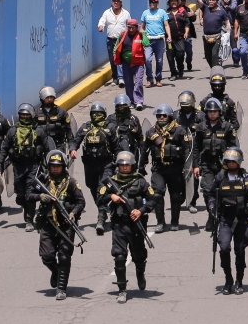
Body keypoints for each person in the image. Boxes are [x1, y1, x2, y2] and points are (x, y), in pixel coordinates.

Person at [204, 148, 248, 295]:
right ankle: (228, 279)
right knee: (224, 248)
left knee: (240, 250)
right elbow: (211, 194)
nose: (231, 164)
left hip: (242, 220)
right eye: (228, 162)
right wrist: (212, 207)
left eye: (233, 161)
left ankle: (239, 280)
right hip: (225, 219)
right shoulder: (220, 177)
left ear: (238, 162)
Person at [97, 151, 156, 303]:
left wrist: (141, 211)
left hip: (136, 225)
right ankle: (122, 289)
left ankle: (140, 273)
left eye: (127, 165)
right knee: (119, 256)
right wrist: (111, 196)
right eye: (121, 165)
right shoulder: (111, 182)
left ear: (132, 166)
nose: (124, 168)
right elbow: (99, 198)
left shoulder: (140, 181)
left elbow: (152, 199)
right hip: (119, 224)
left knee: (139, 256)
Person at [28, 150, 84, 300]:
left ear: (64, 166)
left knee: (64, 256)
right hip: (47, 223)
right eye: (53, 166)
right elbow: (29, 195)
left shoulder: (71, 183)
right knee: (47, 256)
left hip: (66, 224)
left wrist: (73, 214)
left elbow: (81, 202)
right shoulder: (43, 181)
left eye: (58, 166)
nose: (55, 168)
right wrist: (40, 196)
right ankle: (56, 271)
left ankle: (61, 288)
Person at [0, 103, 55, 232]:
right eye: (22, 115)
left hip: (34, 166)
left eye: (27, 115)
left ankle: (29, 219)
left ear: (32, 115)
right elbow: (4, 149)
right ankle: (26, 208)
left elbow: (48, 149)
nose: (24, 117)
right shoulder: (13, 131)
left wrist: (50, 166)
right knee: (21, 196)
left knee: (30, 193)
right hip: (18, 167)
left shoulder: (39, 131)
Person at [70, 102, 118, 236]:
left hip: (106, 164)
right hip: (89, 165)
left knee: (101, 188)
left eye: (99, 113)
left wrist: (121, 162)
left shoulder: (110, 128)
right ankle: (102, 207)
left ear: (104, 114)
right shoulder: (85, 127)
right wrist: (73, 149)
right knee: (92, 186)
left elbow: (117, 146)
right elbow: (75, 140)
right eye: (94, 114)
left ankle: (101, 219)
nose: (97, 116)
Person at [191, 99, 239, 233]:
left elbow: (234, 146)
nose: (212, 114)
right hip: (206, 164)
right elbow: (196, 148)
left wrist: (233, 164)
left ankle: (222, 216)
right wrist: (195, 165)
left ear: (219, 112)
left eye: (215, 111)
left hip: (223, 165)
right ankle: (212, 214)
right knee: (207, 190)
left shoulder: (227, 127)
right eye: (210, 112)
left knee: (225, 190)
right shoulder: (200, 127)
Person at [144, 104, 192, 233]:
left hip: (175, 169)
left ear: (170, 116)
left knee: (176, 196)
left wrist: (188, 167)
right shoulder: (151, 132)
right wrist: (140, 167)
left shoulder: (179, 130)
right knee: (157, 194)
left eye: (164, 115)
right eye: (159, 115)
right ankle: (160, 222)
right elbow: (144, 150)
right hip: (159, 169)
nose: (161, 117)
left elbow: (187, 149)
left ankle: (175, 221)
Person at [189, 0, 231, 69]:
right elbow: (198, 1)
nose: (211, 2)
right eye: (210, 0)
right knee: (208, 56)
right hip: (206, 37)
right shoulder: (205, 8)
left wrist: (228, 34)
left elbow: (227, 22)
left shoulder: (221, 11)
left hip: (217, 37)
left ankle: (216, 72)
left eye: (213, 0)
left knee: (214, 54)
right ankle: (215, 69)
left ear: (216, 2)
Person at [112, 20, 147, 110]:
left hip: (138, 63)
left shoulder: (140, 35)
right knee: (128, 83)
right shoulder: (123, 35)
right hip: (126, 63)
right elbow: (117, 45)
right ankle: (131, 101)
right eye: (129, 27)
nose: (131, 29)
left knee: (138, 82)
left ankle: (138, 102)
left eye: (133, 27)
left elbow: (147, 44)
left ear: (136, 27)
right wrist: (114, 53)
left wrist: (143, 35)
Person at [98, 0, 131, 87]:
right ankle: (115, 77)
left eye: (117, 1)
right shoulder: (107, 13)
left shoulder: (126, 13)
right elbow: (102, 20)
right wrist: (101, 26)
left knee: (120, 58)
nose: (116, 3)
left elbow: (129, 24)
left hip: (121, 40)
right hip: (110, 40)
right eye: (114, 1)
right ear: (112, 3)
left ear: (121, 3)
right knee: (113, 60)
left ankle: (121, 77)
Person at [107, 94, 144, 170]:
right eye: (120, 106)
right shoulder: (110, 119)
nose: (122, 108)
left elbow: (140, 137)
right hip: (115, 153)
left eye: (124, 105)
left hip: (131, 152)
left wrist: (143, 158)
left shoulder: (133, 119)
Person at [35, 86, 74, 153]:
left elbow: (68, 130)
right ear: (42, 98)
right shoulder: (36, 113)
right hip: (41, 146)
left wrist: (72, 147)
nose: (49, 99)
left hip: (58, 145)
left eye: (51, 97)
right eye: (47, 98)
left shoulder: (61, 112)